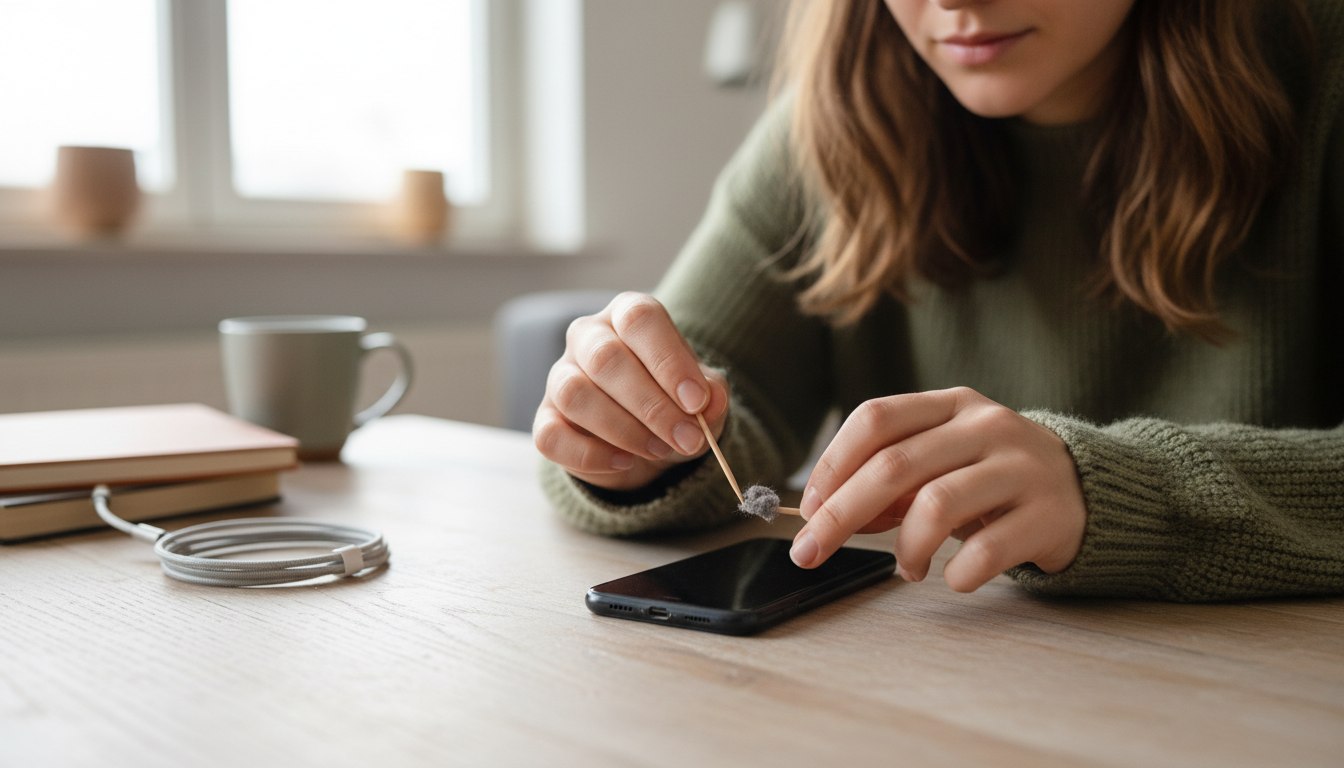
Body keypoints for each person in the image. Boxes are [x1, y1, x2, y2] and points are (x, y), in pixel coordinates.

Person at [534, 0, 1344, 601]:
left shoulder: (1325, 71)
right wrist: (631, 442)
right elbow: (707, 400)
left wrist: (1116, 490)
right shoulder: (832, 124)